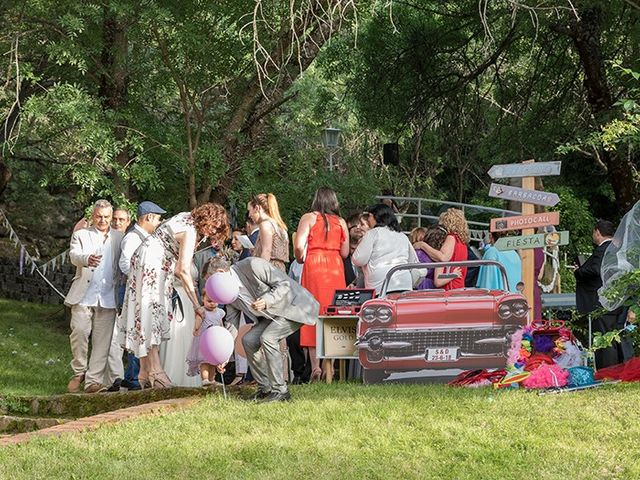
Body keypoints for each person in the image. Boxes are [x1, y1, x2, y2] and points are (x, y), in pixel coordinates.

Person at [117, 203, 229, 389]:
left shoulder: (186, 216)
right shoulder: (191, 231)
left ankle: (145, 370)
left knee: (146, 312)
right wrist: (196, 305)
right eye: (213, 226)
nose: (212, 232)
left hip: (148, 258)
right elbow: (182, 270)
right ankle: (155, 371)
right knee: (150, 311)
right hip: (153, 262)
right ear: (207, 220)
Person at [223, 256, 320, 402]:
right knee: (248, 340)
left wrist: (266, 300)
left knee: (268, 338)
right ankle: (265, 388)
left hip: (294, 306)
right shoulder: (227, 293)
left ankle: (281, 391)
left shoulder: (252, 265)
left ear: (220, 272)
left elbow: (284, 285)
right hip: (272, 316)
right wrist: (223, 354)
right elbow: (232, 325)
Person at [65, 199, 124, 393]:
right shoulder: (81, 234)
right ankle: (79, 371)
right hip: (83, 295)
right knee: (79, 331)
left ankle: (93, 382)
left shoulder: (119, 237)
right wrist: (86, 259)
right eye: (99, 216)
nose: (103, 220)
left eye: (106, 217)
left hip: (108, 297)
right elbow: (74, 256)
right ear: (93, 216)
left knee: (102, 343)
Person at [294, 187, 349, 381]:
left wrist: (300, 258)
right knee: (333, 314)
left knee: (312, 313)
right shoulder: (341, 222)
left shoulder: (308, 218)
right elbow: (345, 252)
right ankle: (331, 367)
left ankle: (315, 366)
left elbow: (299, 245)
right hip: (334, 268)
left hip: (314, 267)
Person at [116, 200, 166, 390]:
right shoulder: (133, 238)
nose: (158, 223)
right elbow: (124, 264)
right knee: (135, 333)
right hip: (134, 293)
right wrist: (142, 280)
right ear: (149, 217)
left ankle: (141, 376)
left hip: (142, 294)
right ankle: (134, 378)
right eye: (157, 219)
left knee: (144, 333)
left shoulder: (147, 238)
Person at [574, 219, 632, 368]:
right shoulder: (618, 249)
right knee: (615, 337)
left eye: (594, 232)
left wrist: (579, 272)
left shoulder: (602, 250)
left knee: (605, 340)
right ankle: (619, 367)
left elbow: (596, 270)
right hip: (618, 301)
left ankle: (608, 370)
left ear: (597, 232)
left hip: (602, 302)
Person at [352, 204, 420, 294]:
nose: (368, 220)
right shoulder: (402, 236)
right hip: (404, 284)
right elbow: (413, 262)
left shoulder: (373, 233)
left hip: (381, 287)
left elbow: (358, 259)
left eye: (369, 216)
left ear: (375, 217)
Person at [413, 208, 469, 289]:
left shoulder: (451, 237)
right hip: (459, 285)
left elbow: (443, 258)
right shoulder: (462, 242)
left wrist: (423, 245)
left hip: (449, 288)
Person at [187, 292, 226, 386]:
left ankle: (212, 379)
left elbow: (221, 324)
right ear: (202, 299)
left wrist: (223, 333)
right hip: (204, 340)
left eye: (214, 301)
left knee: (213, 361)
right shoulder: (202, 312)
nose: (212, 303)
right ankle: (205, 379)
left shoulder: (219, 312)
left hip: (215, 340)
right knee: (204, 361)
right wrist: (196, 328)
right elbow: (197, 324)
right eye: (209, 301)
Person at [248, 193, 289, 272]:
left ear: (257, 208)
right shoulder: (279, 226)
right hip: (280, 270)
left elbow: (266, 251)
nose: (249, 215)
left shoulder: (265, 224)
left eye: (250, 211)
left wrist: (260, 274)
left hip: (269, 269)